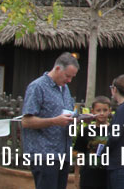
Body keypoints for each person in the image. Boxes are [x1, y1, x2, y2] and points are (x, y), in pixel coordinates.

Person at [21, 52, 79, 189]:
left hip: (63, 153)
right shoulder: (37, 87)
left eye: (72, 77)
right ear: (58, 69)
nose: (69, 80)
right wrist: (54, 121)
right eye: (67, 76)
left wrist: (76, 119)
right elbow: (26, 121)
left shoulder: (65, 88)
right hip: (44, 153)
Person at [73, 96, 112, 189]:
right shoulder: (86, 131)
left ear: (110, 111)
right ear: (93, 111)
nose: (102, 113)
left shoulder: (114, 130)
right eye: (98, 110)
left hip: (108, 176)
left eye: (105, 110)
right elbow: (79, 154)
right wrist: (76, 176)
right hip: (88, 177)